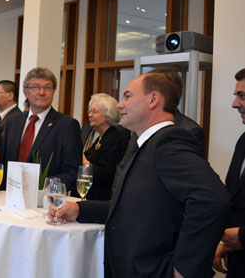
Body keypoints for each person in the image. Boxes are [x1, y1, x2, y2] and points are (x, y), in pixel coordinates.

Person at [51, 73, 230, 278]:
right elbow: (132, 207)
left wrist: (185, 267)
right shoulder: (142, 143)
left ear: (153, 99)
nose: (119, 105)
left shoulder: (168, 141)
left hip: (152, 269)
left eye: (127, 96)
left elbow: (212, 200)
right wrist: (79, 209)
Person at [0, 67, 81, 191]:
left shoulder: (67, 125)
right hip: (9, 196)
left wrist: (44, 188)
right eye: (35, 87)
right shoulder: (13, 122)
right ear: (25, 92)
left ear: (53, 92)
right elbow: (3, 162)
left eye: (47, 88)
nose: (42, 92)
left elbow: (72, 172)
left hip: (43, 202)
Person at [214, 68, 245, 276]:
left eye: (241, 96)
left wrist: (243, 237)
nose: (234, 104)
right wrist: (225, 241)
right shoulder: (243, 141)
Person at [81, 93, 125, 200]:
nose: (90, 115)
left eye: (95, 112)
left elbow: (106, 173)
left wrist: (83, 161)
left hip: (101, 199)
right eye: (89, 111)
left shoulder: (114, 138)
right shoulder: (101, 137)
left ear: (108, 115)